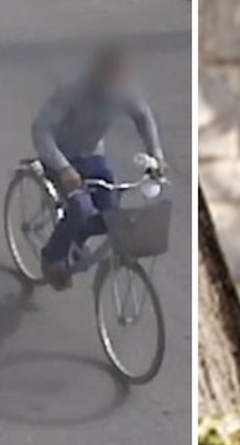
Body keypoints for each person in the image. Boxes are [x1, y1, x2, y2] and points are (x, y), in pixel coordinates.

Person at [33, 44, 166, 289]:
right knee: (81, 209)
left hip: (92, 156)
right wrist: (63, 168)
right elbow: (40, 130)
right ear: (97, 73)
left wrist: (156, 157)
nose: (115, 87)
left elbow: (143, 117)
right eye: (110, 78)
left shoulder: (123, 91)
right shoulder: (72, 92)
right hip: (60, 159)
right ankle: (52, 257)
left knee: (111, 216)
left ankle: (76, 239)